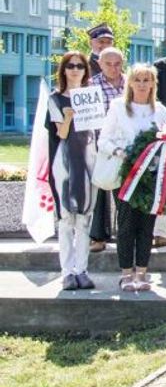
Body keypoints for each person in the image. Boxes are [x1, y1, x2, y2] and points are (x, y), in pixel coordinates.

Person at [97, 63, 166, 292]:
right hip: (125, 174)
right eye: (137, 80)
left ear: (153, 84)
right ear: (129, 82)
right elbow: (103, 140)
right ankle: (126, 274)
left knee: (146, 227)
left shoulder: (160, 110)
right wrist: (120, 152)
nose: (141, 84)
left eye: (146, 80)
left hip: (150, 177)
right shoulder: (118, 107)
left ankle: (143, 273)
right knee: (127, 225)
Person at [45, 52, 99, 290]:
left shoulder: (90, 97)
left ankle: (82, 270)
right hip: (65, 162)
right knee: (66, 219)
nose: (75, 70)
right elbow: (61, 133)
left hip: (88, 161)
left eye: (79, 66)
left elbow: (98, 130)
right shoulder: (55, 99)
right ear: (64, 70)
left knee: (85, 219)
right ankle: (67, 271)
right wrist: (68, 117)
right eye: (70, 66)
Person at [88, 46, 126, 253]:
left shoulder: (132, 83)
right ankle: (98, 237)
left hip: (126, 144)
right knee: (100, 189)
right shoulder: (90, 86)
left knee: (125, 191)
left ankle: (125, 234)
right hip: (99, 143)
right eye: (108, 64)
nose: (113, 68)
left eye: (117, 63)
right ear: (100, 64)